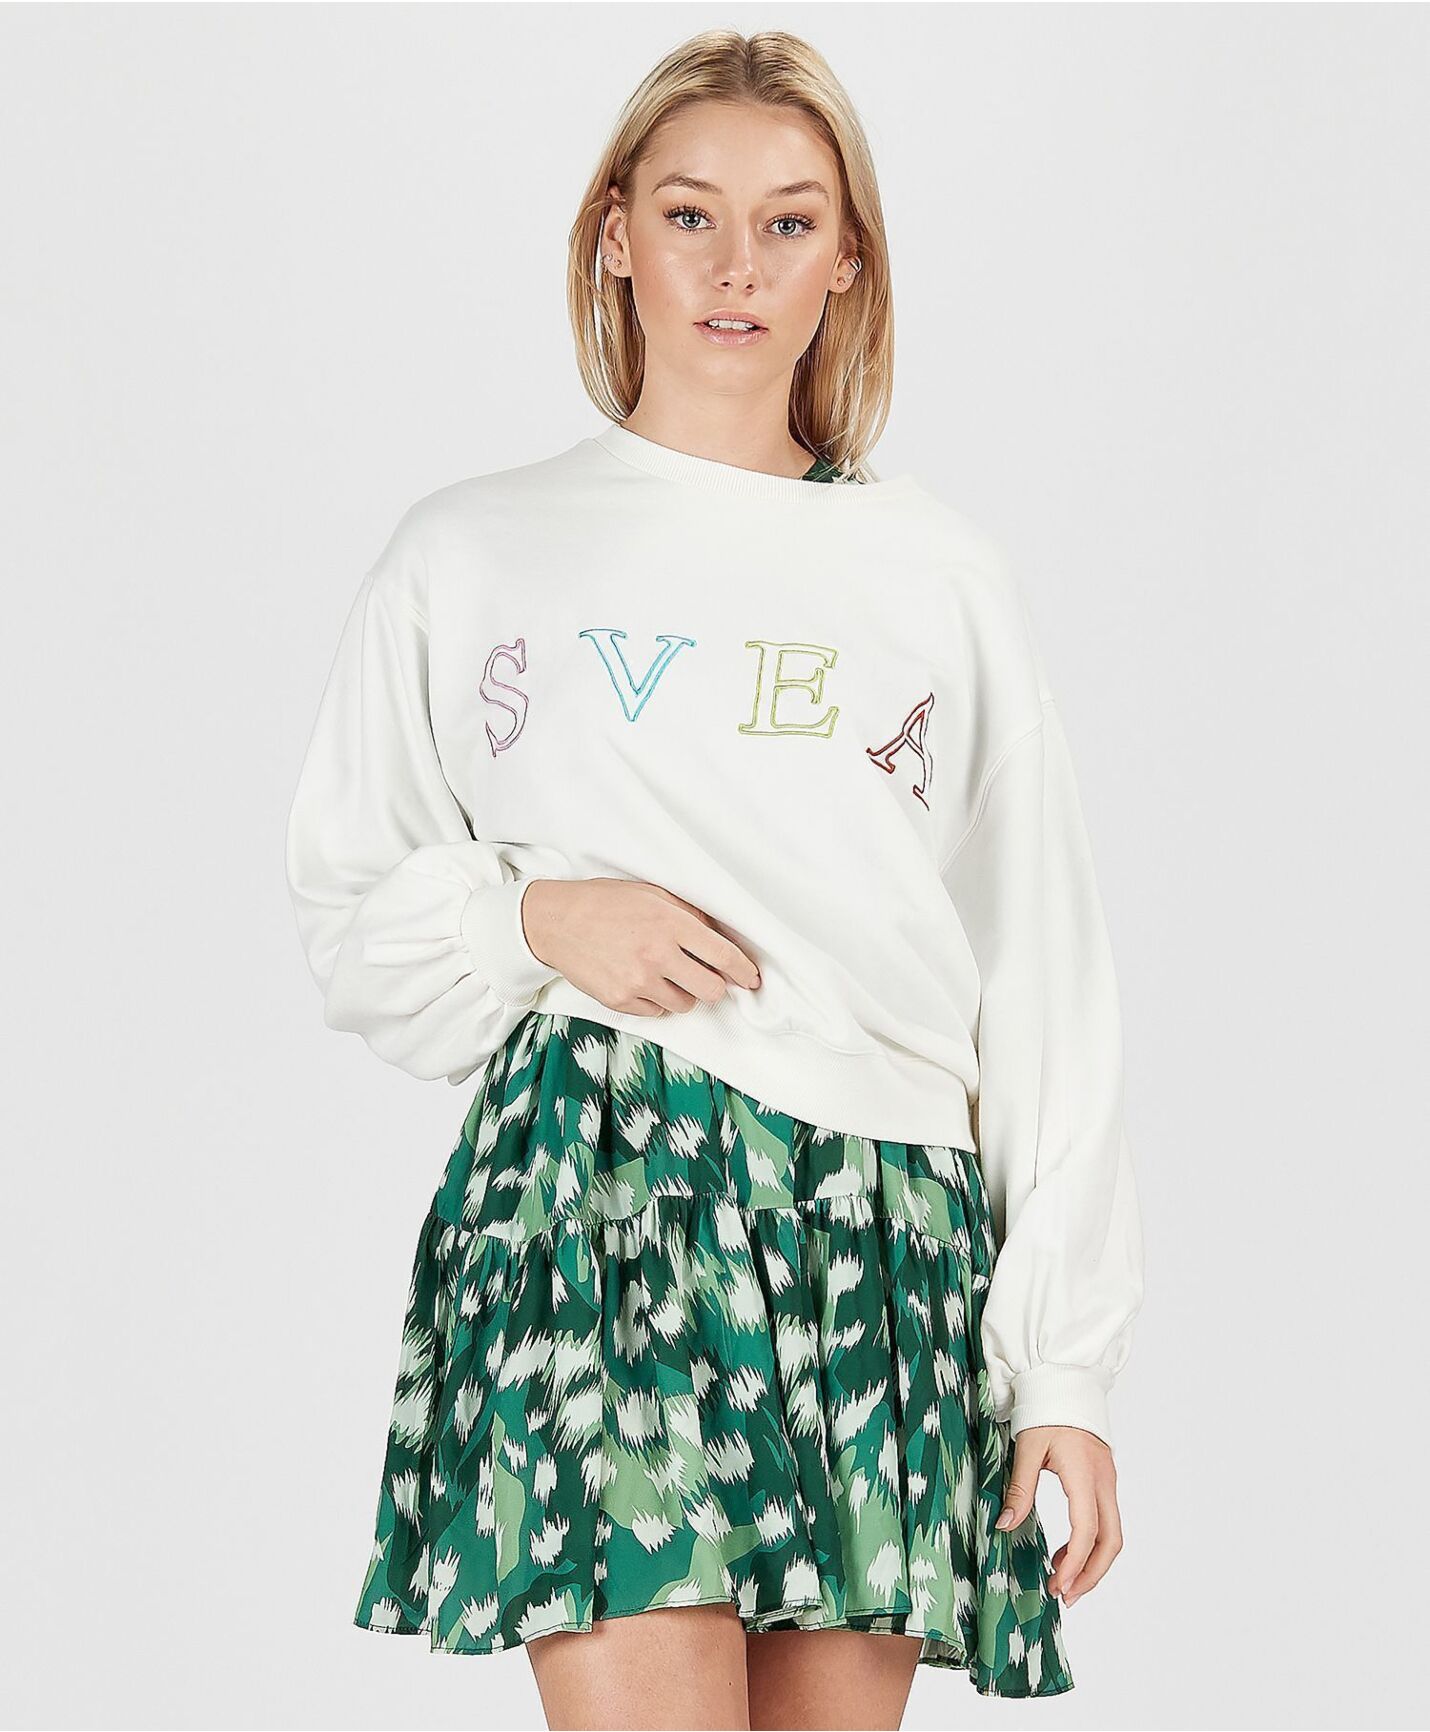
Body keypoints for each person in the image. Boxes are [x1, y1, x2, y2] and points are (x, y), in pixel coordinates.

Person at [283, 28, 1144, 1732]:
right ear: (615, 236)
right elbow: (347, 912)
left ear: (847, 260)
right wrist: (533, 919)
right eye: (689, 215)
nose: (735, 266)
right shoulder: (470, 552)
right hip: (599, 1184)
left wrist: (1062, 1362)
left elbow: (1042, 972)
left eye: (787, 222)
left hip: (877, 1218)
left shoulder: (936, 576)